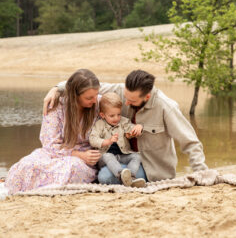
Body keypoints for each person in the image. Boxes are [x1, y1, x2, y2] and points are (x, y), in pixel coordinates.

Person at [44, 69, 208, 183]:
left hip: (153, 168)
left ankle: (134, 180)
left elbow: (190, 142)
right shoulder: (124, 91)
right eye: (126, 98)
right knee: (105, 175)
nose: (126, 103)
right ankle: (127, 178)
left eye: (132, 101)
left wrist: (201, 172)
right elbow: (81, 85)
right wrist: (56, 89)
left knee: (106, 177)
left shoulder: (167, 107)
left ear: (147, 96)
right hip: (123, 157)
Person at [5, 69, 102, 194]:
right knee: (27, 165)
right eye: (89, 98)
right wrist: (77, 154)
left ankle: (44, 190)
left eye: (96, 95)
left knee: (71, 168)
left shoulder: (99, 103)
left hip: (84, 159)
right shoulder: (56, 105)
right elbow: (50, 144)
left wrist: (84, 156)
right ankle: (23, 190)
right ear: (74, 95)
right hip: (54, 153)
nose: (95, 100)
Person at [89, 92, 146, 188]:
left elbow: (131, 128)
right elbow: (92, 139)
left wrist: (138, 128)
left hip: (122, 155)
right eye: (112, 116)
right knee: (108, 156)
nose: (116, 118)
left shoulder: (123, 121)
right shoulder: (99, 124)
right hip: (105, 157)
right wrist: (107, 141)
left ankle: (130, 177)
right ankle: (121, 175)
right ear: (103, 115)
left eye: (118, 114)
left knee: (136, 156)